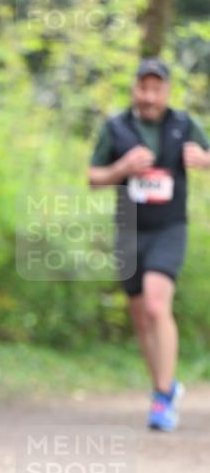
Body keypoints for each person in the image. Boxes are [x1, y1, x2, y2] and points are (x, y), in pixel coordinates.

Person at [89, 58, 209, 431]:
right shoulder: (116, 127)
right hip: (129, 230)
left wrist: (203, 160)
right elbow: (94, 178)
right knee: (141, 318)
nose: (150, 94)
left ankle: (161, 397)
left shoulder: (184, 124)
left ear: (167, 90)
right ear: (135, 88)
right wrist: (121, 168)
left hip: (170, 227)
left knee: (158, 307)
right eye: (144, 86)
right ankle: (166, 386)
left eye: (157, 87)